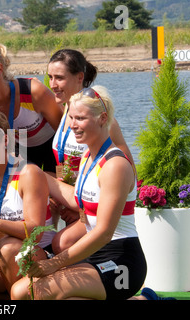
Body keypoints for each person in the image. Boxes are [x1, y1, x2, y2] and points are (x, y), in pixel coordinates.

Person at [11, 86, 147, 300]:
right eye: (71, 117)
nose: (73, 125)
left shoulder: (115, 165)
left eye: (81, 118)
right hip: (94, 255)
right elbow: (76, 199)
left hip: (122, 261)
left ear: (103, 118)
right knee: (21, 291)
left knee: (30, 293)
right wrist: (34, 173)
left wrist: (53, 264)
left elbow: (103, 232)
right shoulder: (87, 157)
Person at [47, 49, 135, 253]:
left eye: (59, 78)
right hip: (74, 199)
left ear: (79, 78)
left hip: (92, 204)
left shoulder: (99, 119)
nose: (52, 84)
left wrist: (83, 210)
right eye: (50, 77)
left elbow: (129, 172)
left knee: (62, 243)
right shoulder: (66, 110)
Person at [0, 111, 55, 294]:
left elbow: (35, 233)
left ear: (5, 141)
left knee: (9, 248)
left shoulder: (28, 174)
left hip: (38, 254)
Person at [0, 41, 63, 173]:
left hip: (52, 149)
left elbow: (64, 136)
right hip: (20, 152)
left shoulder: (34, 91)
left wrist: (65, 175)